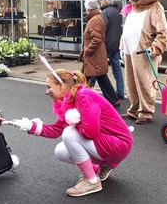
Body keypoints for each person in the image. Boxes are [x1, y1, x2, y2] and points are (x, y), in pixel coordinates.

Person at [7, 68, 133, 197]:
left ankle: (91, 181)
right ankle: (99, 168)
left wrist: (74, 122)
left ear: (61, 86)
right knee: (61, 151)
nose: (46, 92)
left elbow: (90, 132)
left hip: (119, 144)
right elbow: (56, 131)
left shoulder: (83, 96)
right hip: (108, 143)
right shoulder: (69, 101)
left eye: (49, 87)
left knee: (69, 133)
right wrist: (28, 126)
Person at [80, 0, 120, 107]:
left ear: (89, 9)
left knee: (85, 78)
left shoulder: (94, 20)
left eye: (86, 9)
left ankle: (80, 99)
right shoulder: (97, 18)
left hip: (93, 56)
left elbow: (96, 39)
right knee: (101, 78)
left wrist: (87, 50)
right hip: (96, 56)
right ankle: (113, 100)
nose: (85, 11)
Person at [92, 0, 125, 100]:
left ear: (105, 1)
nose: (100, 3)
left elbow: (102, 29)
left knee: (96, 67)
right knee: (117, 70)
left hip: (106, 46)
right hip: (116, 45)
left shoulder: (104, 13)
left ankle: (89, 88)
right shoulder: (117, 12)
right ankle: (120, 92)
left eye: (101, 1)